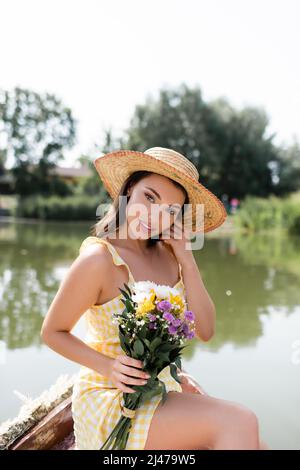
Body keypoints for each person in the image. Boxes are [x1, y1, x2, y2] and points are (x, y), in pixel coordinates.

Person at [40, 147, 270, 450]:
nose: (155, 216)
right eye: (149, 197)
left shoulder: (170, 258)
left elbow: (206, 330)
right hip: (110, 396)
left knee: (256, 442)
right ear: (130, 189)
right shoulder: (99, 260)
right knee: (241, 421)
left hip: (158, 389)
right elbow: (52, 332)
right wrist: (108, 366)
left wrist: (187, 261)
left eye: (171, 211)